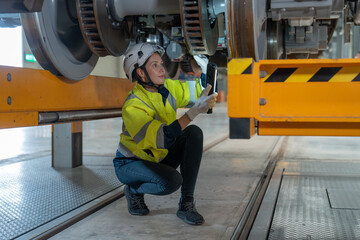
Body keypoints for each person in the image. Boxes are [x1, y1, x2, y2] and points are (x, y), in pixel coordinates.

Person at [113, 43, 217, 225]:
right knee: (170, 182)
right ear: (141, 73)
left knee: (193, 133)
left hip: (156, 157)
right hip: (131, 163)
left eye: (161, 63)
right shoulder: (133, 105)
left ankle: (186, 205)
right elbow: (161, 139)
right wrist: (192, 113)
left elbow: (201, 93)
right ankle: (134, 190)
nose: (162, 69)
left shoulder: (167, 88)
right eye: (154, 65)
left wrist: (206, 73)